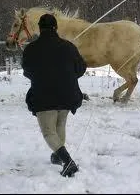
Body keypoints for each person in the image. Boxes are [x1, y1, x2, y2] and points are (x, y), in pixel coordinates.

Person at [22, 13, 87, 177]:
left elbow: (27, 71)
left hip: (44, 97)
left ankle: (68, 162)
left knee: (49, 132)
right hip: (67, 96)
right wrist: (66, 77)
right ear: (55, 28)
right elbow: (81, 68)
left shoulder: (31, 49)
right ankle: (57, 156)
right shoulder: (69, 46)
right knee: (59, 126)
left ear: (40, 28)